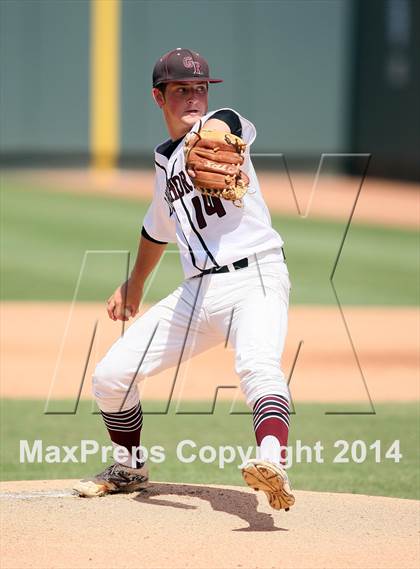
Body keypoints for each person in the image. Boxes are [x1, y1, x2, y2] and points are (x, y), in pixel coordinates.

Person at [74, 48, 295, 511]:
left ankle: (272, 462)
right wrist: (133, 286)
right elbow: (156, 230)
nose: (194, 97)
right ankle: (130, 467)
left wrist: (211, 134)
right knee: (111, 377)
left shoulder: (224, 121)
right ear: (159, 97)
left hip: (255, 273)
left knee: (258, 365)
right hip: (198, 292)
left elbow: (224, 126)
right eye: (181, 90)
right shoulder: (165, 164)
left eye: (200, 88)